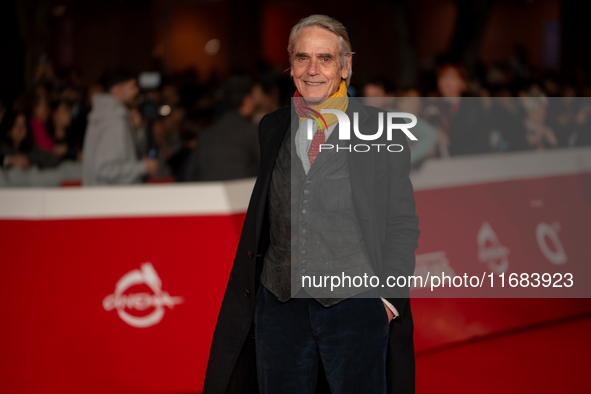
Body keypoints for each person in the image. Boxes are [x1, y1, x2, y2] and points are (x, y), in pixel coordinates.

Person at [203, 15, 420, 394]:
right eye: (302, 58)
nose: (313, 69)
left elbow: (402, 222)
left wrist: (388, 299)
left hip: (355, 305)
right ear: (290, 66)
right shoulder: (272, 127)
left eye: (325, 58)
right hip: (279, 307)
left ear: (345, 66)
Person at [81, 68, 157, 185]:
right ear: (117, 90)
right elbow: (106, 169)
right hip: (112, 199)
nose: (136, 91)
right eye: (132, 87)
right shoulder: (113, 119)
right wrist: (143, 167)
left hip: (103, 198)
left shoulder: (104, 114)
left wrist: (136, 130)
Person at [183, 76, 259, 181]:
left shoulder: (206, 134)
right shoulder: (253, 133)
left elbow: (189, 175)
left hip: (208, 195)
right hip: (243, 195)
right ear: (247, 101)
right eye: (255, 98)